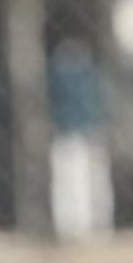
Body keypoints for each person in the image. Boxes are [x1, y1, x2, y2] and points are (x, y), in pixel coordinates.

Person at [45, 35, 114, 241]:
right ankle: (75, 227)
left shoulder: (86, 75)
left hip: (84, 132)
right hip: (72, 133)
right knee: (72, 181)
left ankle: (94, 226)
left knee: (89, 181)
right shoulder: (65, 75)